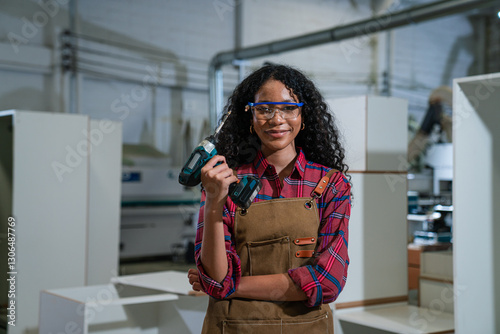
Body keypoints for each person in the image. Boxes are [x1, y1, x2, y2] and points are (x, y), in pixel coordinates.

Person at [188, 64, 351, 333]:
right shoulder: (224, 181)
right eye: (264, 109)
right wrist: (215, 202)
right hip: (233, 327)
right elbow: (216, 278)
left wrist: (233, 285)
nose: (276, 119)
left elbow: (327, 281)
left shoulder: (331, 184)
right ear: (249, 115)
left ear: (303, 114)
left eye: (289, 108)